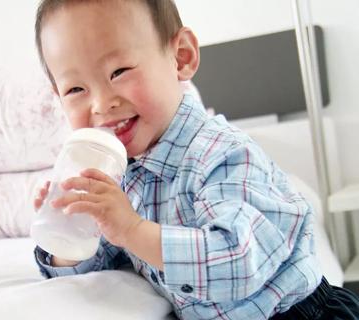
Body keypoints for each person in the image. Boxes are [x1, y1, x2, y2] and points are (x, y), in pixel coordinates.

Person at [32, 0, 359, 319]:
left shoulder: (222, 154)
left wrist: (132, 229)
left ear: (181, 57)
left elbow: (241, 261)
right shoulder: (122, 173)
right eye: (75, 89)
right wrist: (71, 228)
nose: (102, 104)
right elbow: (101, 259)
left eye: (119, 71)